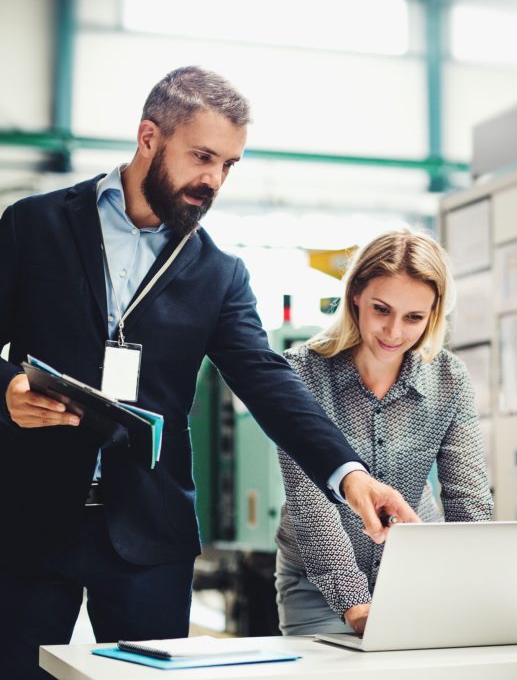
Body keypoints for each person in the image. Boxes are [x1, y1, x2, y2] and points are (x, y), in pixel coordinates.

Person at [0, 66, 417, 679]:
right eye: (202, 157)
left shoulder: (218, 273)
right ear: (149, 137)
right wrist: (5, 389)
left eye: (228, 164)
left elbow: (270, 384)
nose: (214, 180)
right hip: (29, 518)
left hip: (148, 530)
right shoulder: (33, 226)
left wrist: (350, 475)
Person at [274, 230, 494, 636]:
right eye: (382, 310)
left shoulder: (449, 380)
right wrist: (357, 609)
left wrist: (475, 590)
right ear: (356, 294)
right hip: (319, 586)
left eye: (414, 318)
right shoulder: (301, 372)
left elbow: (469, 498)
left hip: (415, 578)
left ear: (434, 314)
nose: (394, 332)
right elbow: (311, 506)